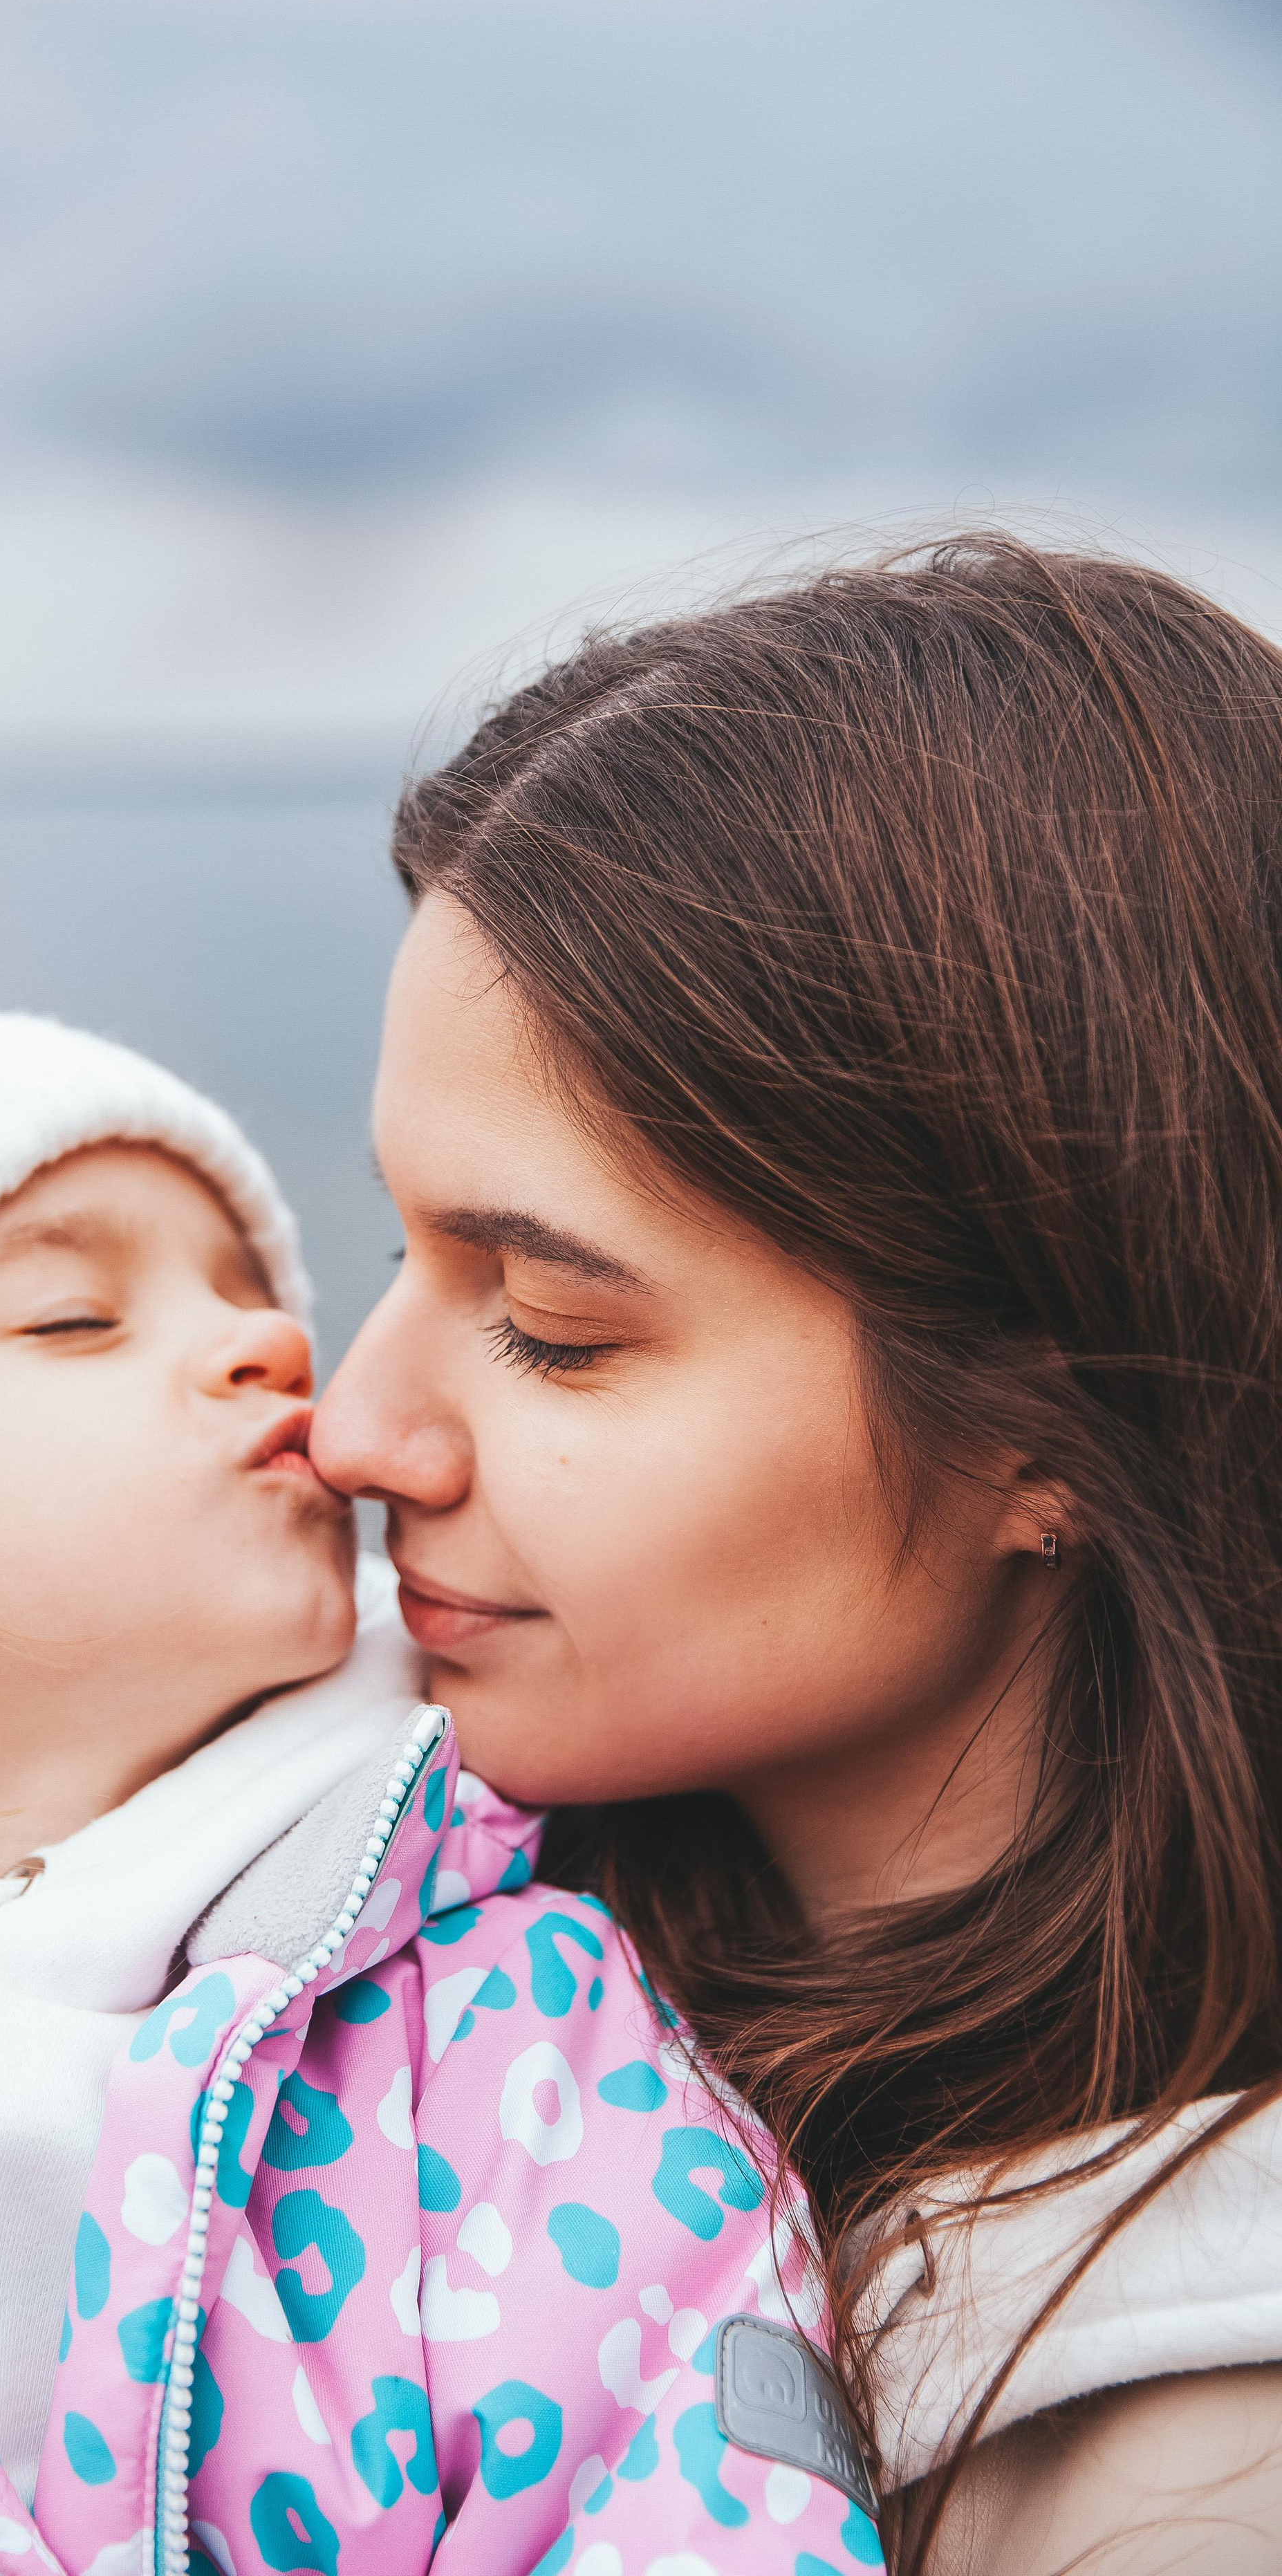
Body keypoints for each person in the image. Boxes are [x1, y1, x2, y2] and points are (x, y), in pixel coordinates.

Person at [0, 1008, 872, 2576]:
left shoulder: (488, 2025)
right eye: (77, 1320)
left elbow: (690, 2485)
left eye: (249, 1289)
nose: (280, 1346)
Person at [310, 535, 1282, 2575]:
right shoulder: (350, 1895)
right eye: (404, 1245)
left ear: (1052, 1420)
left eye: (553, 1323)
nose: (355, 1429)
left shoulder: (1184, 2480)